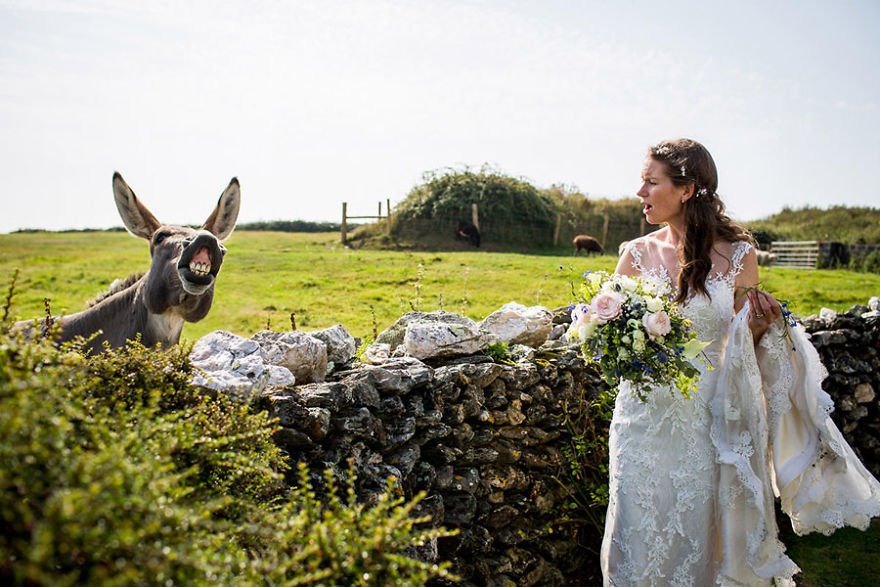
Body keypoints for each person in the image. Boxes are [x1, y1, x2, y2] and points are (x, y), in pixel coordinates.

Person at [601, 138, 880, 585]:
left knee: (706, 528)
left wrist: (758, 327)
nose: (640, 193)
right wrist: (610, 338)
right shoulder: (634, 253)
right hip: (643, 416)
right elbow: (608, 332)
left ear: (687, 189)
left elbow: (739, 344)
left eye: (651, 182)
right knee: (638, 525)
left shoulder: (739, 255)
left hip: (709, 414)